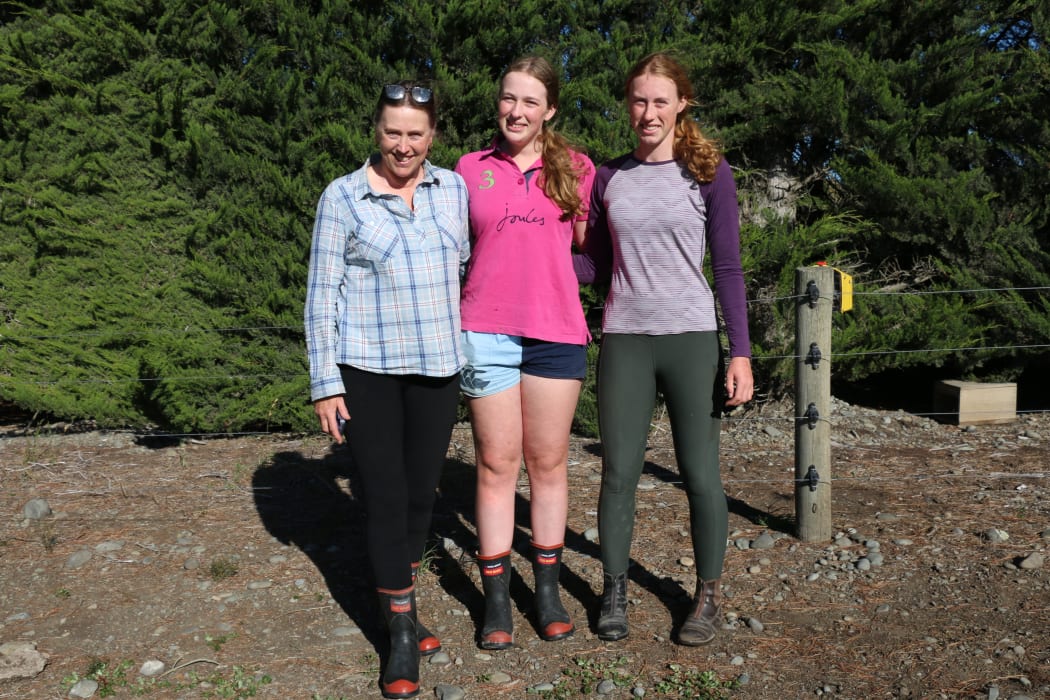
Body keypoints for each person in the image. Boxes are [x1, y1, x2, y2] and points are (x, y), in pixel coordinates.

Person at [581, 52, 754, 646]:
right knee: (618, 473)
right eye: (638, 101)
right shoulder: (609, 177)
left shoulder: (709, 173)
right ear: (627, 105)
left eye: (660, 101)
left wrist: (740, 353)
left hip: (691, 337)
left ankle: (706, 595)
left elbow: (728, 268)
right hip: (626, 337)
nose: (647, 112)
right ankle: (614, 588)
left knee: (701, 474)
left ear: (682, 102)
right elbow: (595, 264)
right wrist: (532, 249)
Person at [304, 81, 469, 699]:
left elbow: (468, 269)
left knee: (422, 499)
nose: (403, 145)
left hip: (438, 368)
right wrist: (326, 383)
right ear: (377, 131)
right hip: (367, 370)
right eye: (392, 132)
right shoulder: (343, 197)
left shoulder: (451, 189)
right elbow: (322, 296)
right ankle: (399, 633)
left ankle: (402, 602)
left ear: (433, 137)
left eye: (415, 134)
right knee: (383, 494)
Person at [454, 56, 595, 649]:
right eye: (509, 98)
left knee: (549, 463)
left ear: (550, 110)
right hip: (485, 331)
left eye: (530, 102)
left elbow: (591, 257)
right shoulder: (466, 169)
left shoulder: (577, 169)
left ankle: (546, 590)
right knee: (494, 465)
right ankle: (494, 600)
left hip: (556, 335)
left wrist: (553, 279)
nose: (516, 111)